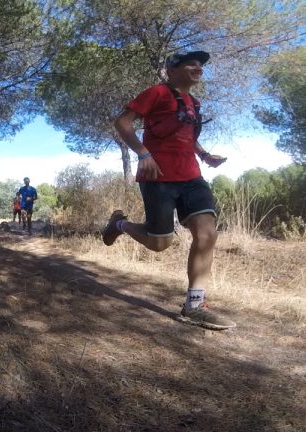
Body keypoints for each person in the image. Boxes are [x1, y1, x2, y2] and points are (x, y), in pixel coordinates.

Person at [104, 50, 235, 330]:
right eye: (191, 63)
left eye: (201, 65)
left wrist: (205, 155)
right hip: (158, 177)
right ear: (172, 70)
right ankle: (119, 223)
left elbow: (187, 137)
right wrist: (141, 152)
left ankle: (195, 305)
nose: (198, 67)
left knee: (207, 232)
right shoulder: (156, 93)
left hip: (191, 177)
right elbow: (122, 123)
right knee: (159, 243)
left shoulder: (193, 103)